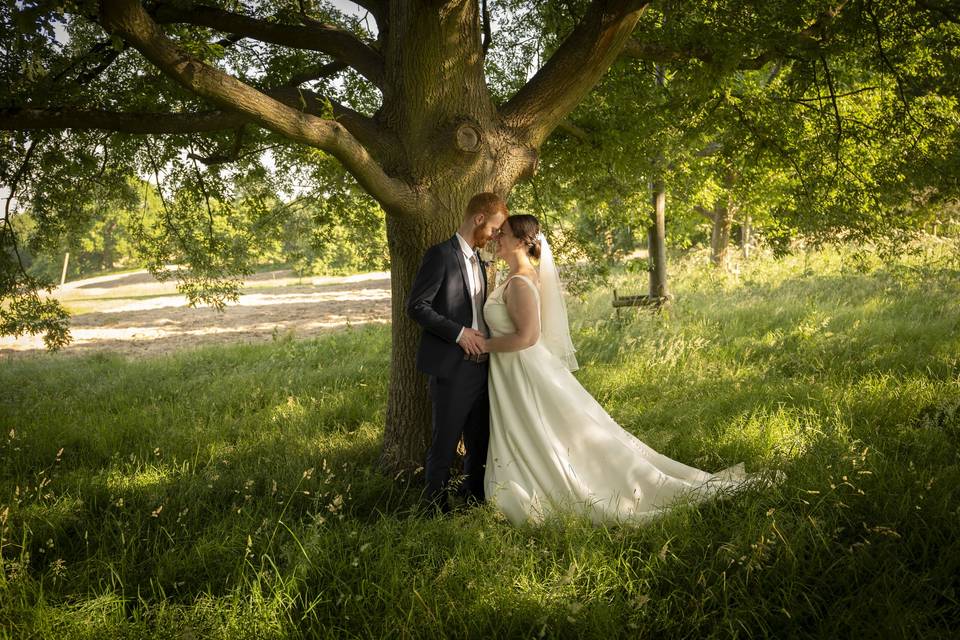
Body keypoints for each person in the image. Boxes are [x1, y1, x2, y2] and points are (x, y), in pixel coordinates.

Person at [481, 214, 753, 525]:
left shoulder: (518, 282)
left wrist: (481, 345)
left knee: (545, 432)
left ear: (519, 241)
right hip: (516, 372)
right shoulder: (517, 277)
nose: (495, 238)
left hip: (522, 370)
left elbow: (527, 337)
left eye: (501, 233)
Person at [406, 192, 509, 514]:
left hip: (484, 367)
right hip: (453, 367)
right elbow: (416, 306)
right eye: (494, 228)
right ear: (479, 219)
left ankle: (473, 499)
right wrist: (459, 333)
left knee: (480, 441)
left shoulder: (479, 259)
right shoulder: (440, 255)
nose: (495, 235)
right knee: (445, 442)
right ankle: (433, 507)